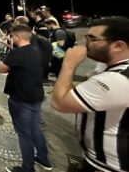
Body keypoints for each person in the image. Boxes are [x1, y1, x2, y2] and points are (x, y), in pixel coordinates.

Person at [51, 17, 129, 172]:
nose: (86, 42)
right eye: (86, 37)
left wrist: (68, 64)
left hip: (106, 166)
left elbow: (59, 103)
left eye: (92, 38)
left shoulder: (118, 79)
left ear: (118, 46)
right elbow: (73, 96)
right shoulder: (113, 71)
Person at [0, 24, 52, 172]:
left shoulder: (17, 54)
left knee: (24, 133)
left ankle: (27, 168)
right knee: (35, 128)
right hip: (36, 95)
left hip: (21, 98)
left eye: (13, 36)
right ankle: (43, 159)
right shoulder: (35, 51)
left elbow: (1, 68)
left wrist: (8, 55)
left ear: (18, 37)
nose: (11, 38)